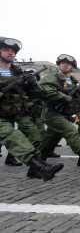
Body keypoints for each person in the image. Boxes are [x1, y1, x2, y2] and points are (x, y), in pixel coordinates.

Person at [0, 36, 63, 180]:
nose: (11, 53)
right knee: (13, 136)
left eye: (13, 51)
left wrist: (32, 83)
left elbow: (37, 94)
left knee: (36, 136)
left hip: (17, 112)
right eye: (6, 50)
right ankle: (40, 167)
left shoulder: (18, 72)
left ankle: (35, 168)